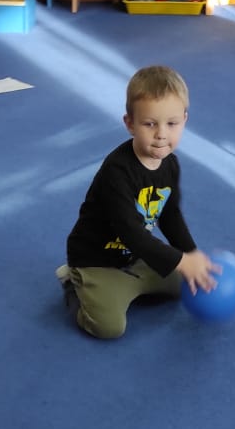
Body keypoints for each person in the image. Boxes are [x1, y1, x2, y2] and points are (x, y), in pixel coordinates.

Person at [57, 66, 219, 341]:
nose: (161, 134)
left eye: (172, 123)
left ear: (184, 120)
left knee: (185, 283)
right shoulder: (117, 172)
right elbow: (131, 232)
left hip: (134, 257)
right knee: (109, 327)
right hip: (96, 261)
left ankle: (129, 284)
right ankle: (74, 283)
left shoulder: (170, 164)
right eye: (150, 124)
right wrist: (181, 260)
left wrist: (191, 255)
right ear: (130, 123)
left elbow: (170, 214)